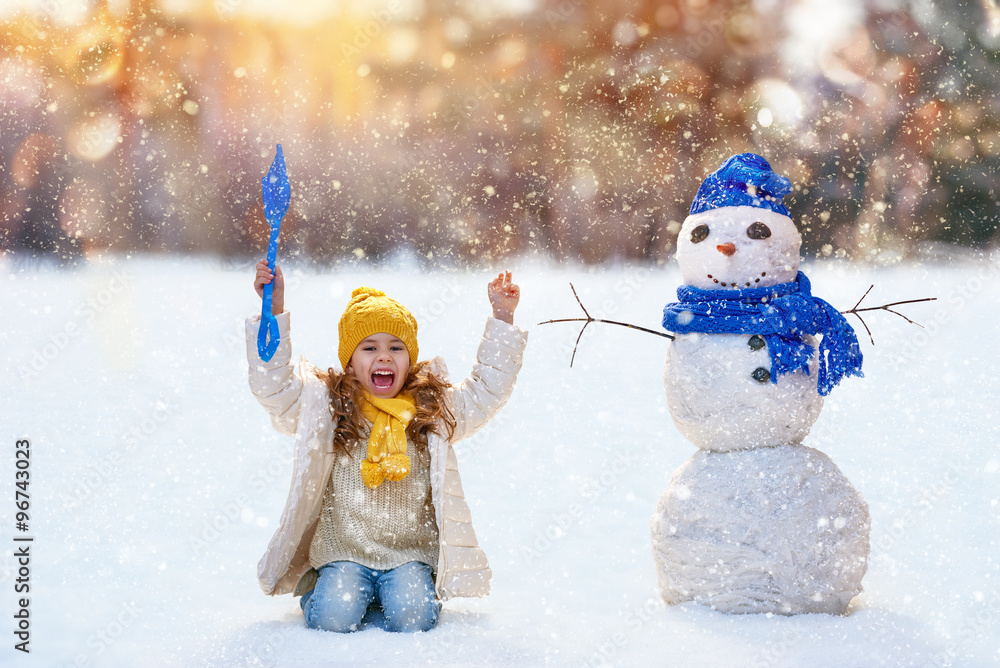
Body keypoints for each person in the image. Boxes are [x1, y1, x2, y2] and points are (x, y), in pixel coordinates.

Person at [247, 260, 527, 633]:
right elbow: (275, 388)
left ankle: (398, 590)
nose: (383, 357)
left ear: (409, 361)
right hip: (343, 553)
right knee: (334, 616)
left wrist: (502, 319)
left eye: (396, 347)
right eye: (369, 348)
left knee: (414, 617)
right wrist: (274, 310)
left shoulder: (429, 410)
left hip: (408, 555)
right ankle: (322, 589)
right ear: (349, 364)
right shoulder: (330, 408)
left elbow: (484, 393)